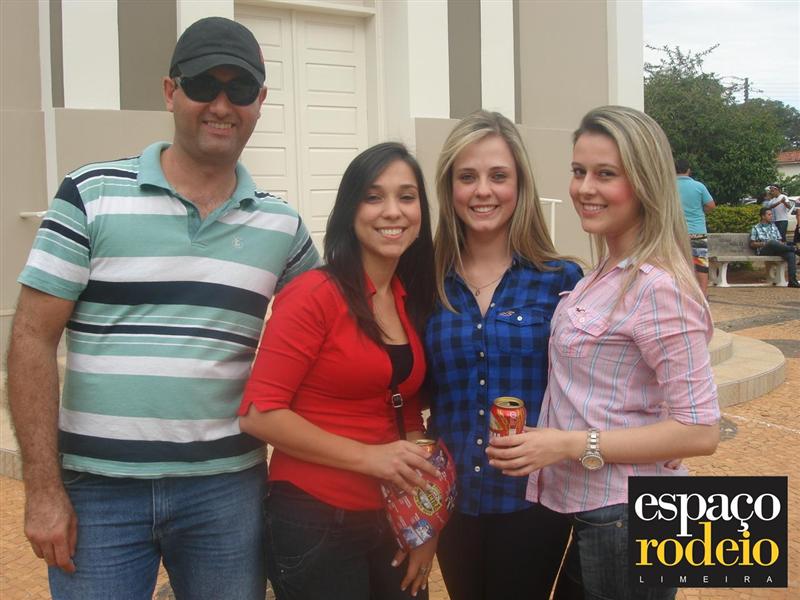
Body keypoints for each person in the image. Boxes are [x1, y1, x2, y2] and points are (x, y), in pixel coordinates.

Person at [6, 17, 320, 600]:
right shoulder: (90, 195)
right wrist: (43, 489)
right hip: (98, 493)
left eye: (239, 89)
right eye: (203, 85)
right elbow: (31, 338)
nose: (221, 105)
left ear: (260, 102)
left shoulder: (282, 226)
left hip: (225, 493)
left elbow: (329, 335)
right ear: (170, 91)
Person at [487, 105, 721, 600]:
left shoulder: (659, 286)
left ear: (645, 182)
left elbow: (700, 431)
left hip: (630, 515)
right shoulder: (604, 273)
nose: (584, 188)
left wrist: (567, 444)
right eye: (579, 171)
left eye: (606, 174)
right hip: (599, 512)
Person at [239, 142, 438, 600]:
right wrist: (370, 458)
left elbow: (407, 415)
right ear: (350, 210)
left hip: (392, 516)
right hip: (317, 519)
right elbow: (258, 413)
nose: (393, 211)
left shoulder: (407, 299)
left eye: (407, 197)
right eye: (374, 197)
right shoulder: (315, 294)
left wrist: (424, 524)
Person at [424, 110, 583, 600]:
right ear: (450, 187)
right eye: (467, 177)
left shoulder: (560, 280)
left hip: (535, 500)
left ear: (520, 185)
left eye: (498, 176)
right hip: (452, 498)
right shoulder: (427, 280)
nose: (482, 191)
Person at [675, 158, 715, 297]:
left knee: (678, 263)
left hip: (676, 232)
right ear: (689, 170)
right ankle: (702, 295)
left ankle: (681, 294)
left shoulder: (669, 187)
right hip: (697, 232)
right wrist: (700, 210)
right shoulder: (699, 186)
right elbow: (711, 205)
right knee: (701, 264)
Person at [750, 206, 800, 287]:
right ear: (763, 216)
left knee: (790, 255)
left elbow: (779, 240)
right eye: (769, 215)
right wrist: (765, 243)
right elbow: (752, 244)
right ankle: (794, 249)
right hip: (764, 251)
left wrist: (780, 244)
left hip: (776, 249)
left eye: (771, 214)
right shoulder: (756, 228)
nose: (771, 216)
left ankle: (792, 281)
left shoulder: (773, 226)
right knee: (772, 242)